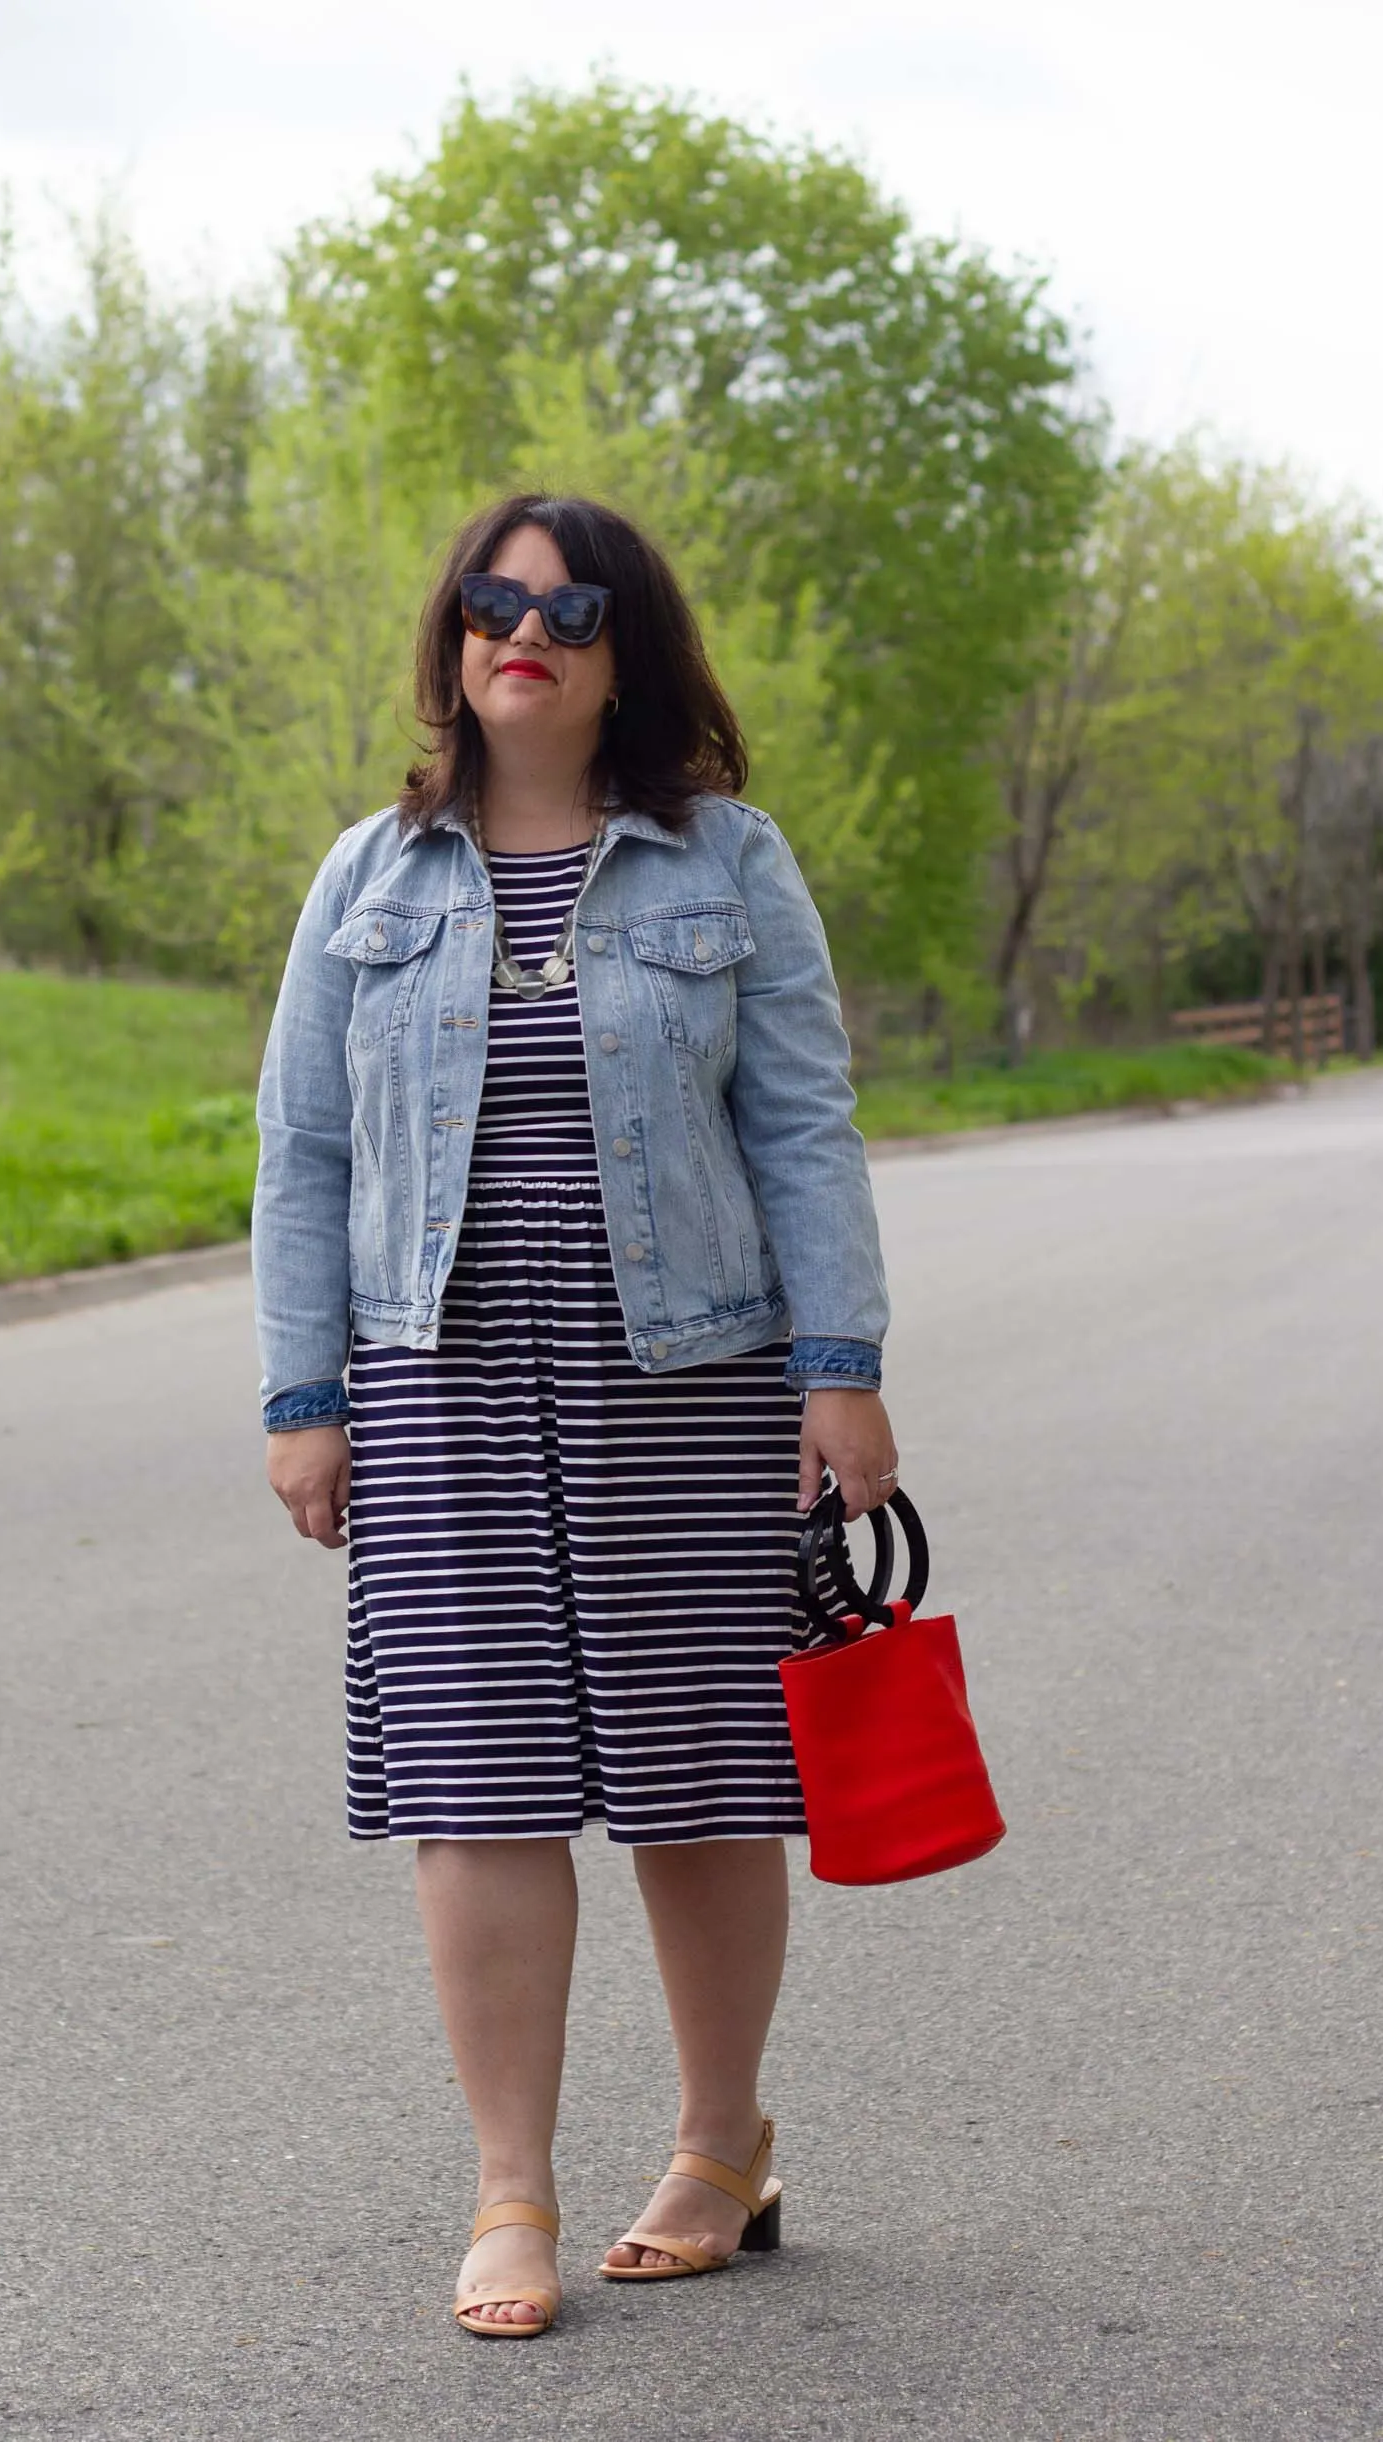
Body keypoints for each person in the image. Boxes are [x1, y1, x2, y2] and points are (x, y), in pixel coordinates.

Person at [252, 492, 897, 2338]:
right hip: (435, 1380)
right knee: (478, 1787)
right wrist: (308, 1396)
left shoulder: (727, 863)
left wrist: (836, 1363)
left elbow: (799, 1122)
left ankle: (719, 2144)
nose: (524, 628)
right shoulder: (363, 880)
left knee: (699, 1786)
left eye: (571, 605)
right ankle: (508, 2188)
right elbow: (301, 1154)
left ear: (629, 652)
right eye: (491, 599)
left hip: (688, 1379)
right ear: (454, 640)